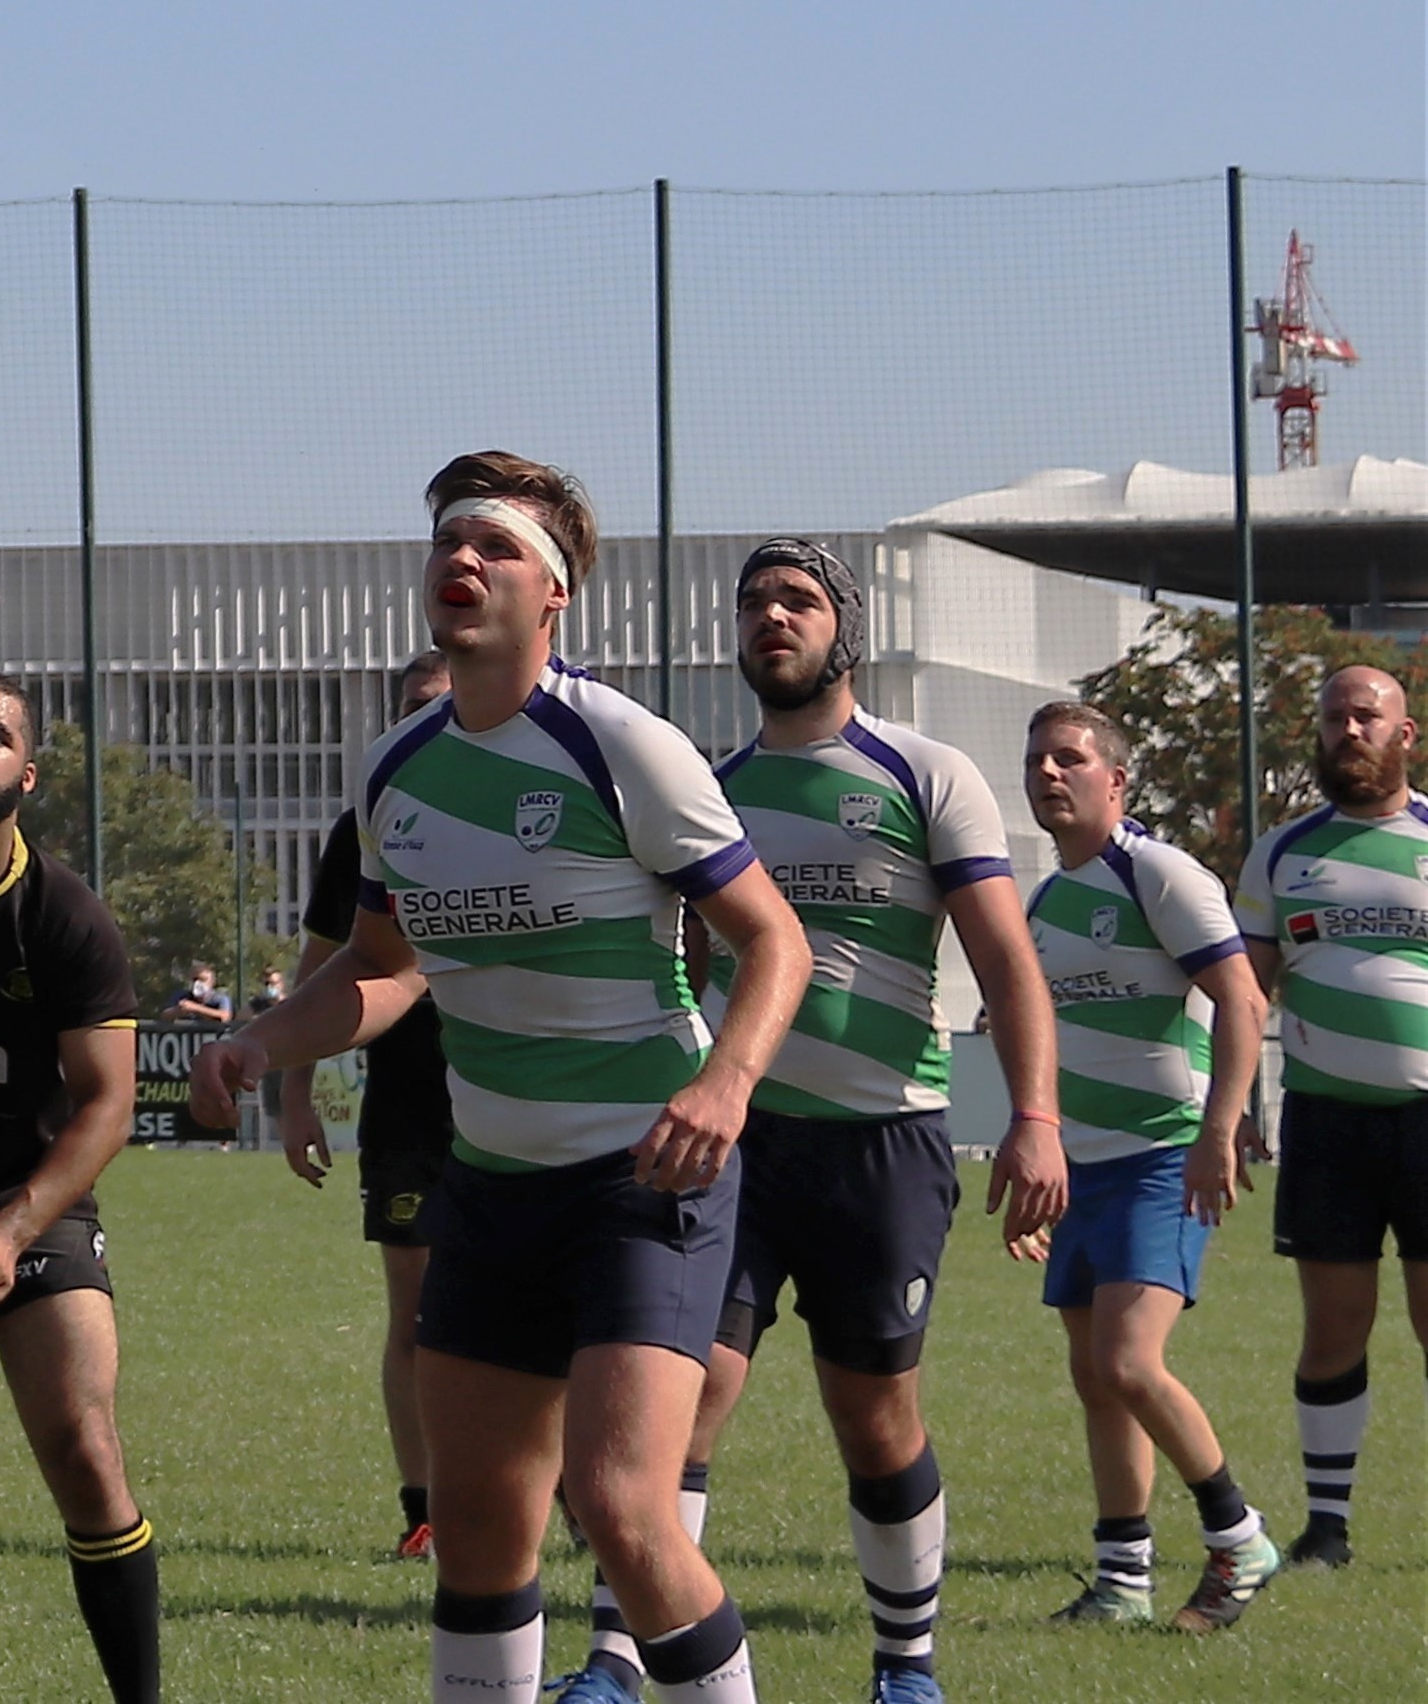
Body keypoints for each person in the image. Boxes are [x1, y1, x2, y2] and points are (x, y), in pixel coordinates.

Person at [192, 453, 809, 1704]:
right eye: (445, 543)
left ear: (554, 592)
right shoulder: (394, 772)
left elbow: (772, 940)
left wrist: (724, 1083)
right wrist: (267, 1038)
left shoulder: (621, 744)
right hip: (491, 1183)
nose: (459, 562)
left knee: (623, 1509)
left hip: (643, 1178)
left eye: (494, 547)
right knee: (474, 1527)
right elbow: (378, 965)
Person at [570, 539, 1065, 1704]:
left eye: (795, 600)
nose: (769, 619)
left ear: (841, 628)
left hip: (881, 1143)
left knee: (871, 1408)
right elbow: (684, 963)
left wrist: (1035, 1117)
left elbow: (1005, 961)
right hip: (723, 1142)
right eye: (751, 604)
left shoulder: (924, 769)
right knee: (675, 1391)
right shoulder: (705, 782)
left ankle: (904, 1665)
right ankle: (610, 1658)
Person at [1017, 699, 1279, 1632]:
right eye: (1037, 759)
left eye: (1070, 759)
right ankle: (1121, 1579)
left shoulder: (1157, 872)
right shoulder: (1043, 902)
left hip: (1161, 1156)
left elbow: (1241, 1001)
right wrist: (1040, 1157)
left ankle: (1237, 1534)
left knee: (1130, 1362)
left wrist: (1221, 1128)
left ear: (1115, 780)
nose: (1048, 773)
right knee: (1096, 1375)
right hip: (1083, 1168)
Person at [0, 671, 163, 1704]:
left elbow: (105, 1103)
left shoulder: (64, 913)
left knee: (82, 1446)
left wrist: (12, 1228)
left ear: (27, 770)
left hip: (29, 1199)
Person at [1235, 659, 1428, 1571]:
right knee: (1333, 1324)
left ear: (1404, 733)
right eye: (1332, 718)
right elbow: (1246, 995)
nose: (1347, 731)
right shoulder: (1279, 850)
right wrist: (1231, 1105)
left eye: (1365, 717)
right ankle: (1325, 1526)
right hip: (1324, 1123)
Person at [283, 649, 459, 1562]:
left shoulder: (523, 801)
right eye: (405, 708)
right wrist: (292, 1089)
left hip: (519, 1095)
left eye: (436, 704)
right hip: (406, 1108)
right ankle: (423, 1505)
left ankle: (573, 1496)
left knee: (547, 1307)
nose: (418, 721)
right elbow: (322, 965)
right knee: (417, 1313)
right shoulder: (367, 822)